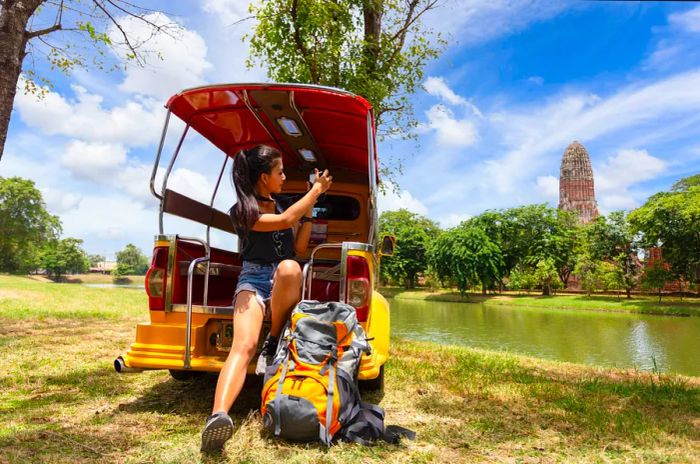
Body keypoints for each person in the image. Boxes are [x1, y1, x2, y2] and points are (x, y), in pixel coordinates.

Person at [200, 144, 333, 452]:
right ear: (263, 177)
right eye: (280, 172)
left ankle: (272, 342)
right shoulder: (243, 212)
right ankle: (217, 417)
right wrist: (314, 191)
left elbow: (298, 249)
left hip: (283, 277)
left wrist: (310, 209)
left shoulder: (288, 204)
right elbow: (285, 221)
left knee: (289, 266)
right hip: (253, 277)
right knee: (243, 346)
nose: (284, 177)